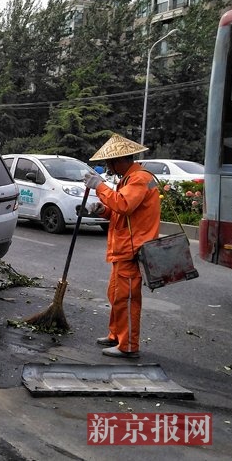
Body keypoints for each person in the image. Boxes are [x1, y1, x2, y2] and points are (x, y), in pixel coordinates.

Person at [83, 133, 160, 359]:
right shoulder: (128, 179)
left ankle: (127, 345)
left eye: (110, 163)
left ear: (121, 160)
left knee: (126, 298)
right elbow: (121, 213)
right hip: (124, 247)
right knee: (116, 294)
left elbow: (124, 205)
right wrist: (102, 210)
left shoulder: (139, 179)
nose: (108, 167)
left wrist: (100, 187)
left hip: (133, 249)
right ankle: (116, 335)